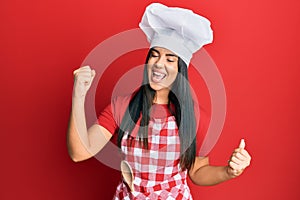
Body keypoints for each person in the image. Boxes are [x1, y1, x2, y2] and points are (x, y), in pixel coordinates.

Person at [67, 3, 251, 200]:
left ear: (181, 69)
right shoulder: (122, 107)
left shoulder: (195, 117)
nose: (159, 64)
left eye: (170, 59)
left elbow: (197, 171)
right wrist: (79, 95)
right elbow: (79, 152)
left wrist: (228, 172)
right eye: (154, 55)